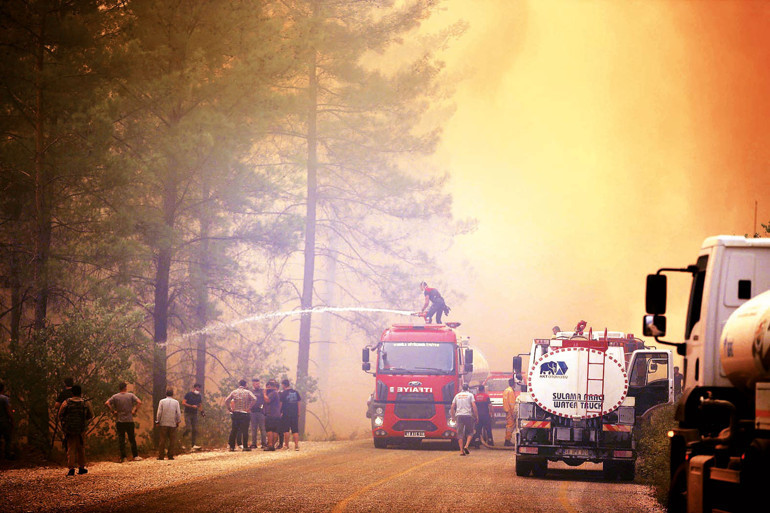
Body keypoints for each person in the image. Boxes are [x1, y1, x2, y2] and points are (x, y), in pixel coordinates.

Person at [59, 384, 92, 476]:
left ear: (72, 393)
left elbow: (60, 415)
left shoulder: (66, 402)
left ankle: (71, 468)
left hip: (69, 429)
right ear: (80, 392)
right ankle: (81, 468)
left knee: (70, 448)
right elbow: (90, 415)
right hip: (81, 429)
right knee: (81, 448)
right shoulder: (85, 403)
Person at [106, 382, 142, 462]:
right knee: (132, 438)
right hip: (129, 420)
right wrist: (134, 411)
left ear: (119, 388)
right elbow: (139, 402)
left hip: (120, 420)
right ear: (125, 387)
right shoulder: (131, 395)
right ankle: (135, 456)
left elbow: (107, 403)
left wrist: (113, 411)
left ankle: (124, 457)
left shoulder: (115, 396)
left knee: (121, 439)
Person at [224, 379, 255, 452]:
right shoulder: (248, 392)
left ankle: (232, 447)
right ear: (245, 385)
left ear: (239, 384)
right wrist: (249, 407)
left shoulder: (234, 392)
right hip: (245, 413)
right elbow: (254, 399)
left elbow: (226, 400)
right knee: (245, 430)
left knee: (234, 430)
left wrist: (230, 409)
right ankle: (245, 446)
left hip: (236, 413)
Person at [450, 383, 477, 456]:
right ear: (468, 388)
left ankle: (461, 451)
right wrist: (476, 416)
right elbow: (474, 406)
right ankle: (466, 446)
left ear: (462, 388)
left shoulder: (457, 395)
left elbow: (452, 407)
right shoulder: (470, 395)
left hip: (459, 415)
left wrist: (453, 417)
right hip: (468, 415)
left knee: (460, 434)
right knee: (470, 432)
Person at [156, 388, 182, 460]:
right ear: (172, 394)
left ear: (166, 394)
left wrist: (157, 421)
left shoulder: (162, 401)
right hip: (172, 423)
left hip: (163, 423)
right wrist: (178, 421)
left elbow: (159, 412)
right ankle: (170, 455)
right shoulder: (176, 402)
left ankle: (161, 456)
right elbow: (178, 413)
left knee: (162, 440)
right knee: (172, 440)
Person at [279, 379, 302, 451]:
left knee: (286, 430)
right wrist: (298, 412)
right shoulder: (296, 392)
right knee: (295, 430)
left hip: (286, 413)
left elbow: (281, 403)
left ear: (283, 385)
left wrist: (280, 411)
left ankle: (286, 445)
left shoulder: (283, 393)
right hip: (294, 413)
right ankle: (296, 446)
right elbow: (298, 402)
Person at [54, 377, 75, 451]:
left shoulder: (63, 393)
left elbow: (56, 405)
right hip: (77, 419)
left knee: (68, 438)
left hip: (66, 419)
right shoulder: (76, 393)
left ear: (65, 384)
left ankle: (69, 454)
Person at [182, 383, 203, 450]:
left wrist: (202, 411)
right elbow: (183, 402)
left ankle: (193, 445)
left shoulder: (199, 396)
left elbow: (199, 404)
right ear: (194, 388)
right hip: (187, 413)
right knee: (188, 428)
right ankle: (182, 442)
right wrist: (191, 406)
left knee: (194, 429)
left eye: (199, 389)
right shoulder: (188, 394)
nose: (198, 390)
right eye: (197, 389)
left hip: (195, 413)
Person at [263, 380, 281, 451]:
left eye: (268, 387)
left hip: (271, 414)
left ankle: (270, 445)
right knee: (275, 430)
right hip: (276, 414)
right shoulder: (276, 393)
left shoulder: (273, 393)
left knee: (270, 429)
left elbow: (267, 400)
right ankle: (272, 445)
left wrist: (264, 393)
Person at [249, 378, 266, 449]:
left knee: (262, 428)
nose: (258, 385)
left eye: (258, 383)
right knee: (253, 429)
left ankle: (264, 443)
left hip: (261, 412)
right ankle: (254, 444)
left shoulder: (263, 391)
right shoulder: (250, 392)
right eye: (256, 384)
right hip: (253, 412)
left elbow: (265, 400)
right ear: (253, 384)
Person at [0, 383, 14, 461]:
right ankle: (7, 455)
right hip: (4, 422)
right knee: (7, 439)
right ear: (2, 389)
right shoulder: (4, 399)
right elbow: (8, 411)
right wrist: (12, 420)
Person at [503, 378, 517, 447]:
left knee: (508, 426)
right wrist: (513, 414)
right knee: (510, 426)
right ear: (514, 384)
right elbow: (512, 404)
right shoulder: (511, 391)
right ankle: (507, 441)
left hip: (507, 411)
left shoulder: (506, 390)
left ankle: (507, 440)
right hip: (510, 412)